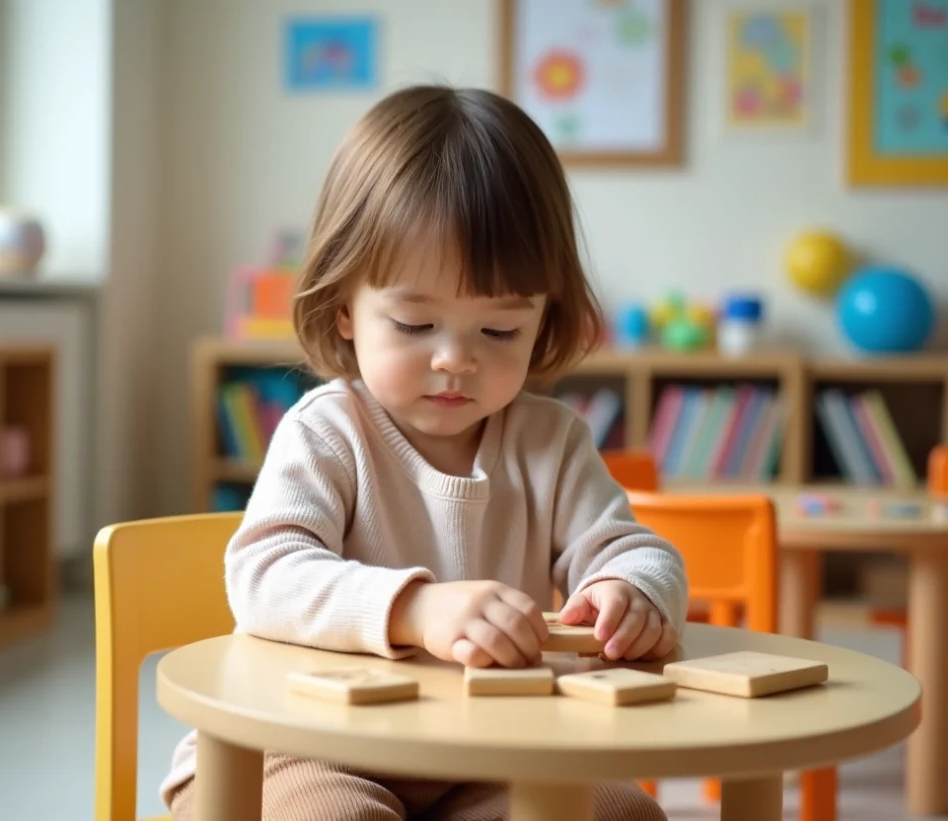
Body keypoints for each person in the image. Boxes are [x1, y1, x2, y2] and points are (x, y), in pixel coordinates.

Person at [163, 84, 687, 821]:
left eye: (498, 332)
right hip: (302, 745)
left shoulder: (552, 441)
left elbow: (636, 549)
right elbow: (263, 573)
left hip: (492, 749)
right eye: (414, 323)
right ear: (344, 306)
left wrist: (630, 592)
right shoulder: (327, 431)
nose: (454, 360)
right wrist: (413, 607)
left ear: (545, 320)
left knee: (623, 812)